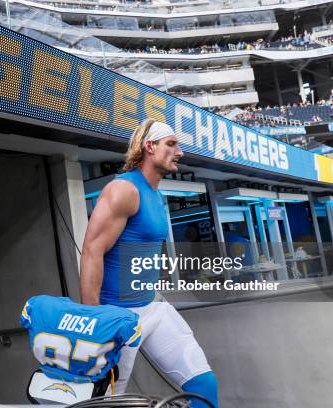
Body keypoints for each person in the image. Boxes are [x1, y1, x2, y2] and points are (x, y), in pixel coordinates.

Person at [79, 119, 219, 407]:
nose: (179, 152)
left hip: (153, 306)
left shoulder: (155, 194)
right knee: (102, 404)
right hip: (120, 316)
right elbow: (92, 251)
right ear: (149, 146)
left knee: (204, 386)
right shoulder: (123, 190)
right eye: (171, 144)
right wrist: (94, 324)